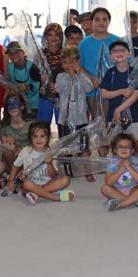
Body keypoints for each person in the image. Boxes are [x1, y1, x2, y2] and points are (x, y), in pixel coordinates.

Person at [5, 121, 75, 204]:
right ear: (30, 137)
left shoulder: (51, 152)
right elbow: (15, 166)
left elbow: (53, 176)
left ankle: (36, 194)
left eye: (42, 136)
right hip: (30, 184)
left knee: (66, 179)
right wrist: (10, 181)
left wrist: (49, 163)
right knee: (26, 183)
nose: (39, 139)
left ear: (48, 137)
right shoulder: (26, 151)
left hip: (47, 183)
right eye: (35, 136)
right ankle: (55, 197)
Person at [55, 46, 97, 179]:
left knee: (84, 146)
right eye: (66, 62)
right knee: (65, 146)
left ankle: (87, 170)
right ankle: (67, 170)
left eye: (72, 62)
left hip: (81, 118)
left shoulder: (82, 76)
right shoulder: (61, 76)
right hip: (65, 119)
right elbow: (58, 89)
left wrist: (78, 75)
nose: (69, 65)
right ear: (62, 64)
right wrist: (70, 76)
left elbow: (89, 87)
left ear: (78, 62)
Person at [79, 7, 121, 121]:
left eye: (104, 19)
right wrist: (91, 79)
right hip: (94, 90)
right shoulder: (84, 43)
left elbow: (126, 63)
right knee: (98, 123)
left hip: (115, 90)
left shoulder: (118, 41)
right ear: (92, 22)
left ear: (109, 22)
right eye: (97, 19)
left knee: (115, 123)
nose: (101, 22)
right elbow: (79, 67)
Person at [101, 40, 138, 145]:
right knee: (114, 145)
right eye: (115, 51)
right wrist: (121, 91)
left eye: (122, 50)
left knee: (134, 145)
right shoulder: (110, 73)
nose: (119, 53)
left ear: (128, 53)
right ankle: (116, 162)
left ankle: (133, 162)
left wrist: (118, 109)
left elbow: (135, 96)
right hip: (113, 117)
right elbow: (104, 94)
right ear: (110, 56)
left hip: (132, 117)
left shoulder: (134, 72)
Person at [101, 133, 138, 211]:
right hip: (117, 190)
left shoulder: (135, 161)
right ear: (114, 150)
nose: (124, 149)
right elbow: (108, 182)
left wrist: (129, 167)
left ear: (132, 150)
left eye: (127, 147)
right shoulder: (111, 162)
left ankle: (121, 204)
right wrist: (121, 168)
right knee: (104, 188)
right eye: (120, 147)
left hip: (133, 190)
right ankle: (134, 201)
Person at [38, 22, 64, 127]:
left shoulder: (66, 53)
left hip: (62, 96)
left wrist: (59, 85)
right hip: (45, 96)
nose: (54, 38)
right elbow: (35, 77)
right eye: (50, 34)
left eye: (57, 35)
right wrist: (42, 80)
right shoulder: (39, 54)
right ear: (45, 36)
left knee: (63, 128)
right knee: (42, 127)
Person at [6, 41, 42, 116]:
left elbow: (39, 84)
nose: (14, 55)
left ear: (23, 53)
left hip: (33, 105)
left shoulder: (32, 67)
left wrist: (27, 87)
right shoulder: (9, 67)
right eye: (11, 54)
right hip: (18, 104)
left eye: (17, 52)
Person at [0, 90, 31, 168]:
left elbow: (37, 145)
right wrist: (12, 148)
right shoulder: (4, 128)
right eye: (10, 105)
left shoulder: (31, 125)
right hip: (12, 161)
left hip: (29, 160)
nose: (13, 107)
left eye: (16, 104)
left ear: (22, 106)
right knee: (6, 148)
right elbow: (5, 148)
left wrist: (23, 152)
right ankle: (13, 176)